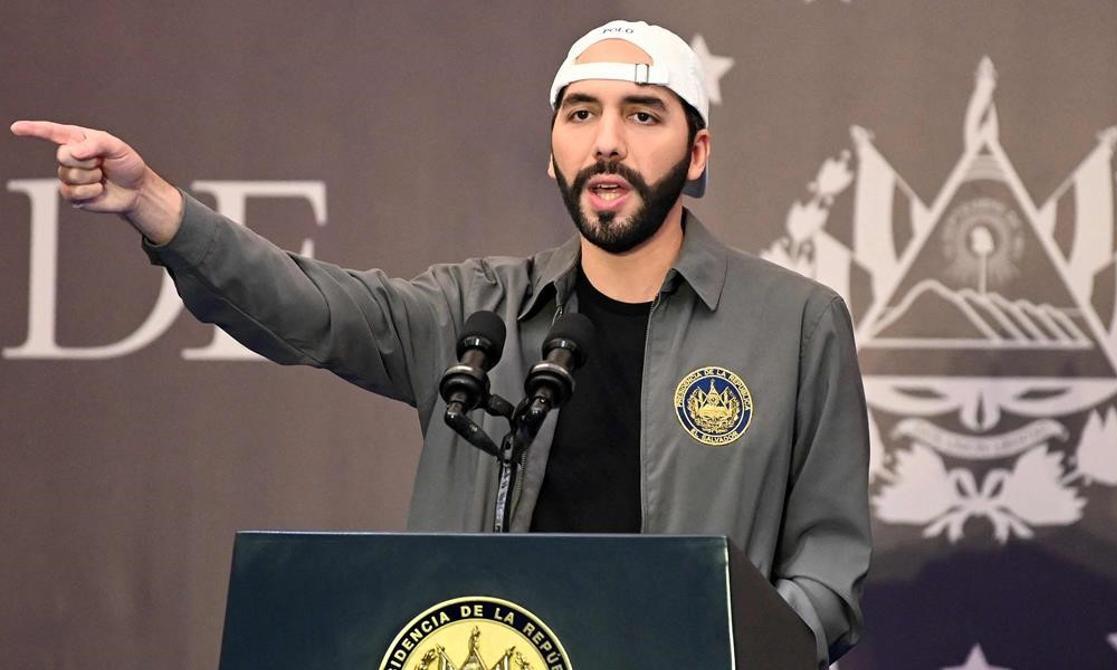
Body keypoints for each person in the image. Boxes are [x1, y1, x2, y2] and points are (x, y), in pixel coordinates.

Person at [11, 19, 870, 666]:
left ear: (696, 152)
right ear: (552, 152)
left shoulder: (796, 322)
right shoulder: (477, 311)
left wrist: (736, 653)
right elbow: (315, 309)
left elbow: (828, 565)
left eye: (643, 114)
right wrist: (158, 206)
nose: (607, 141)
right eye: (580, 114)